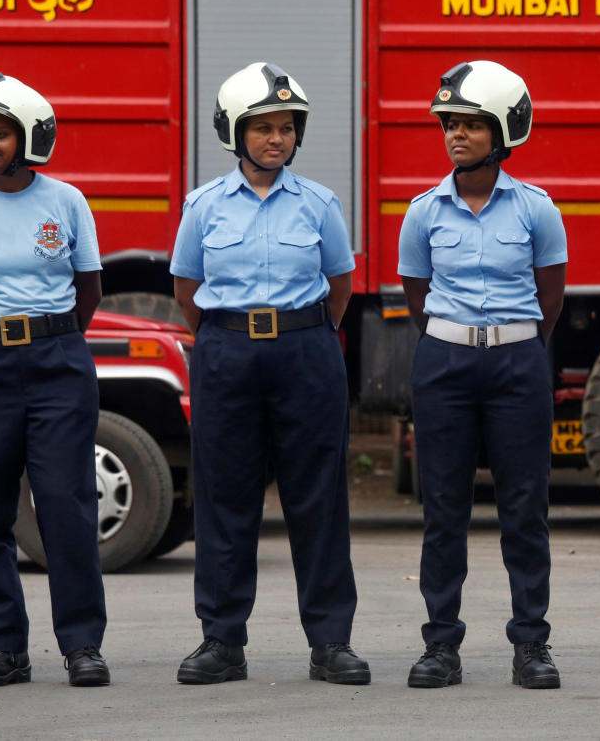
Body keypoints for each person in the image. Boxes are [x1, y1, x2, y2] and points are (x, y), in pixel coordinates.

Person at [170, 62, 368, 686]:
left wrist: (299, 335)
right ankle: (222, 643)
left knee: (318, 499)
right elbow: (187, 289)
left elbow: (341, 287)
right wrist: (231, 339)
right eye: (261, 128)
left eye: (286, 127)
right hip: (227, 354)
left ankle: (331, 643)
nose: (275, 139)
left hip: (305, 353)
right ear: (235, 131)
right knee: (225, 500)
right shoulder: (203, 206)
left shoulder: (319, 204)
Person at [0, 72, 110, 687]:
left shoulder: (66, 202)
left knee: (66, 505)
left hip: (57, 362)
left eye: (0, 133)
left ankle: (83, 645)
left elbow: (88, 292)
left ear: (32, 137)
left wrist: (46, 334)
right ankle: (5, 648)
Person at [398, 60, 567, 689]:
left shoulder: (536, 210)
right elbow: (418, 294)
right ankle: (441, 646)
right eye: (450, 125)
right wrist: (459, 342)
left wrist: (512, 346)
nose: (456, 135)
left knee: (525, 508)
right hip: (444, 364)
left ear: (503, 132)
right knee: (444, 508)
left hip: (518, 363)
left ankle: (532, 646)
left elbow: (551, 296)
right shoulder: (423, 212)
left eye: (471, 124)